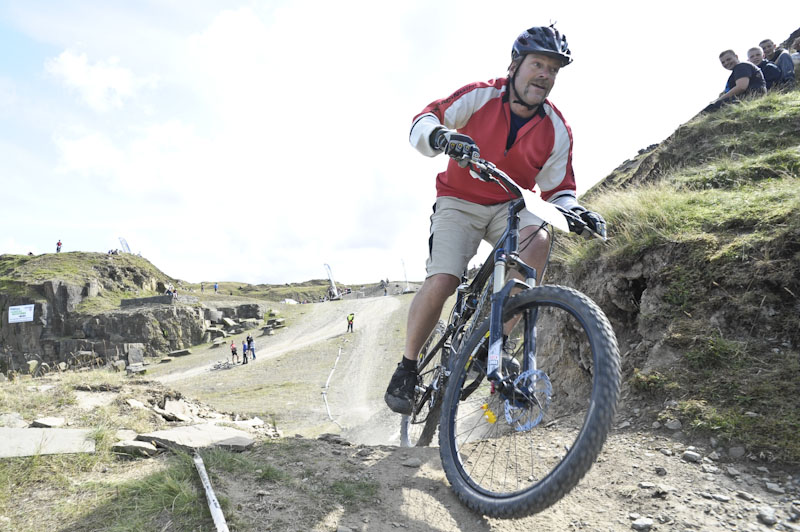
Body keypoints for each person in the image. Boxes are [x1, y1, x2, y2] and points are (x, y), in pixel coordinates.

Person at [383, 25, 606, 415]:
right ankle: (407, 367)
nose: (545, 75)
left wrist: (576, 210)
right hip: (459, 201)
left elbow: (559, 190)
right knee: (444, 279)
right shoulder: (481, 95)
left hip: (512, 207)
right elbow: (426, 119)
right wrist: (442, 138)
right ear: (515, 65)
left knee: (538, 239)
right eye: (538, 65)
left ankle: (493, 343)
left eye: (553, 70)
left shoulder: (556, 128)